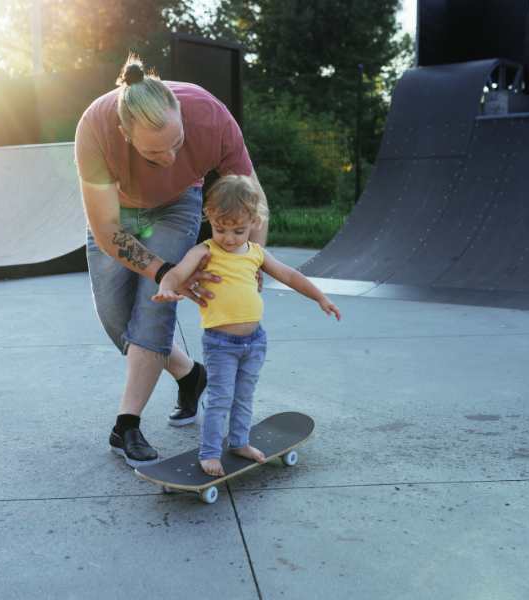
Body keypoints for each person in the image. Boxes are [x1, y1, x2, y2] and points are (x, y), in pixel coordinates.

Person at [75, 53, 269, 467]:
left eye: (177, 145)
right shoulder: (96, 127)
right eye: (154, 153)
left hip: (179, 205)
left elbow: (254, 201)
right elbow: (109, 233)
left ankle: (125, 425)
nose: (169, 158)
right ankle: (189, 374)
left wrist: (252, 265)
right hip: (119, 214)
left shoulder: (210, 115)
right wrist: (167, 272)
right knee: (116, 320)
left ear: (181, 113)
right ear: (126, 134)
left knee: (154, 309)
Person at [152, 175, 342, 476]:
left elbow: (290, 276)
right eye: (220, 228)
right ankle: (210, 452)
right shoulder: (204, 251)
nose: (228, 238)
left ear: (254, 221)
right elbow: (177, 273)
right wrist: (166, 287)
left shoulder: (256, 253)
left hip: (255, 342)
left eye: (238, 230)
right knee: (220, 399)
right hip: (221, 344)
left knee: (244, 396)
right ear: (209, 219)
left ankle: (239, 442)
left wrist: (320, 297)